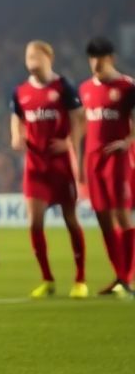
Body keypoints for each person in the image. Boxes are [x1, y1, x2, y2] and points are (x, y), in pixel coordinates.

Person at [10, 41, 87, 299]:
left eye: (35, 54)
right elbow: (17, 117)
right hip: (35, 166)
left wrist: (69, 142)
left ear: (48, 57)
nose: (30, 58)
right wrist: (16, 135)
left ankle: (80, 279)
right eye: (27, 54)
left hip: (60, 165)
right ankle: (47, 278)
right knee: (34, 223)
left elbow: (80, 118)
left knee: (70, 219)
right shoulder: (20, 91)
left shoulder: (63, 86)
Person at [77, 37, 135, 296]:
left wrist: (128, 141)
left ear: (110, 58)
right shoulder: (86, 89)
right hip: (93, 160)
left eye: (99, 57)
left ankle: (128, 276)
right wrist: (79, 162)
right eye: (91, 58)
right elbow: (83, 127)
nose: (94, 63)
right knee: (102, 218)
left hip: (118, 159)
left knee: (121, 215)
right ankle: (119, 276)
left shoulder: (127, 87)